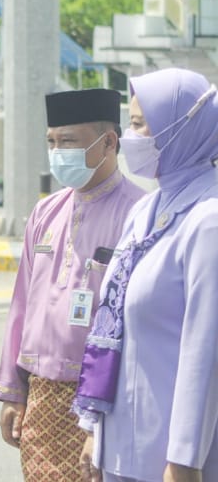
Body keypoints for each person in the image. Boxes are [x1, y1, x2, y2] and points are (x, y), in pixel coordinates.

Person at [74, 68, 218, 482]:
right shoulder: (144, 211)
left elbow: (204, 353)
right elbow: (113, 325)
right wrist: (95, 430)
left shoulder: (207, 221)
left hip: (172, 461)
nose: (130, 137)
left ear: (179, 129)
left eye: (139, 125)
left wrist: (184, 461)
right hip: (122, 448)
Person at [0, 89, 144, 481]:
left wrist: (100, 416)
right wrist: (13, 391)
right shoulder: (46, 211)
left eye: (69, 141)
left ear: (108, 142)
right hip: (42, 397)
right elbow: (21, 305)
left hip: (103, 400)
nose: (58, 151)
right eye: (51, 142)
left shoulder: (138, 214)